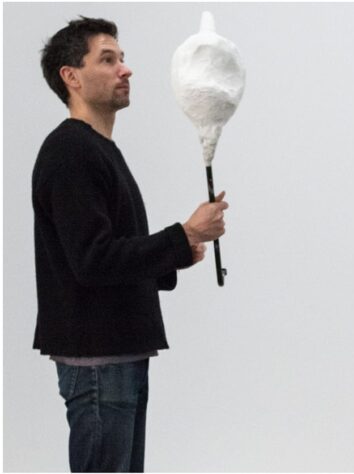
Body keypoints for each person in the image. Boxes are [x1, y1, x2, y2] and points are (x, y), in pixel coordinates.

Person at [33, 17, 229, 472]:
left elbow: (105, 250)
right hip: (99, 361)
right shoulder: (70, 152)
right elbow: (92, 260)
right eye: (108, 59)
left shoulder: (97, 149)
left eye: (121, 58)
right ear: (71, 76)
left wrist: (177, 253)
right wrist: (183, 236)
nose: (126, 69)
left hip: (115, 354)